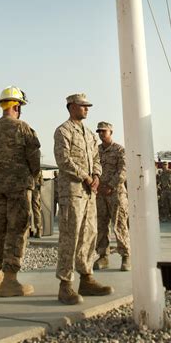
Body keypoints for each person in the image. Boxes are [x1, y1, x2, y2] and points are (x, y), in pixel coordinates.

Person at [54, 94, 113, 305]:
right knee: (71, 236)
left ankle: (86, 278)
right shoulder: (63, 131)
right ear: (71, 107)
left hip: (89, 193)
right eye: (83, 106)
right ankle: (65, 284)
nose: (87, 109)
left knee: (90, 234)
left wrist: (96, 176)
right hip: (72, 191)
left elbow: (96, 159)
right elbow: (63, 160)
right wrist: (86, 176)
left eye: (88, 106)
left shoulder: (89, 135)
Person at [0, 85, 41, 297]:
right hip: (18, 188)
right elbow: (34, 159)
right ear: (17, 106)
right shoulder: (23, 128)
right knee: (17, 231)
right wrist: (32, 177)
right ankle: (10, 281)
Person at [93, 122, 131, 271]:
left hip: (116, 193)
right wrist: (98, 186)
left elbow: (124, 170)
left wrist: (110, 186)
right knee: (101, 225)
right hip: (100, 194)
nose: (101, 134)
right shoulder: (96, 151)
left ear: (111, 132)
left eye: (104, 131)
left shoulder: (120, 150)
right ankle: (103, 256)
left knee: (119, 225)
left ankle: (126, 255)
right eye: (99, 132)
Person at [31, 170, 43, 238]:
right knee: (36, 210)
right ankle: (38, 230)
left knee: (33, 210)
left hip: (30, 189)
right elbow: (42, 183)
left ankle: (38, 230)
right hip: (35, 190)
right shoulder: (38, 169)